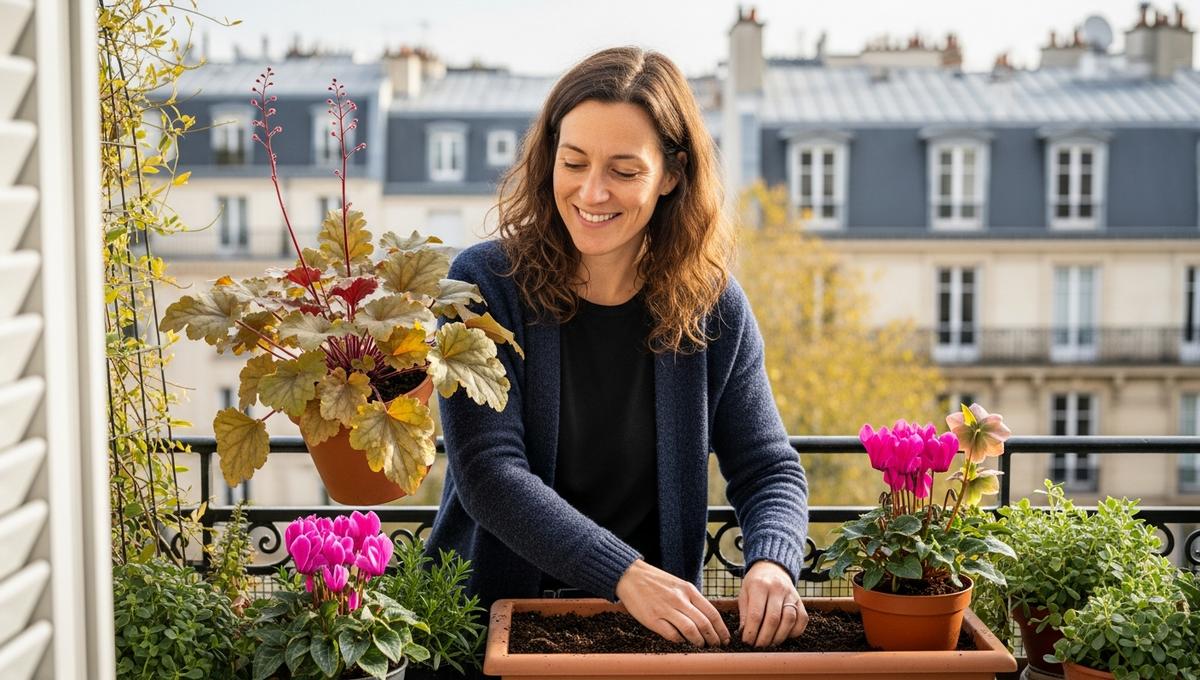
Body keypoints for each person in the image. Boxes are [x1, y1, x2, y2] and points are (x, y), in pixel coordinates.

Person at [424, 46, 809, 653]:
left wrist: (772, 563)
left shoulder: (712, 305)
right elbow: (489, 473)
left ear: (672, 176)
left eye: (624, 171)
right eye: (573, 162)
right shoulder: (483, 283)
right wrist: (623, 574)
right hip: (488, 629)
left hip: (649, 636)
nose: (591, 192)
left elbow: (768, 467)